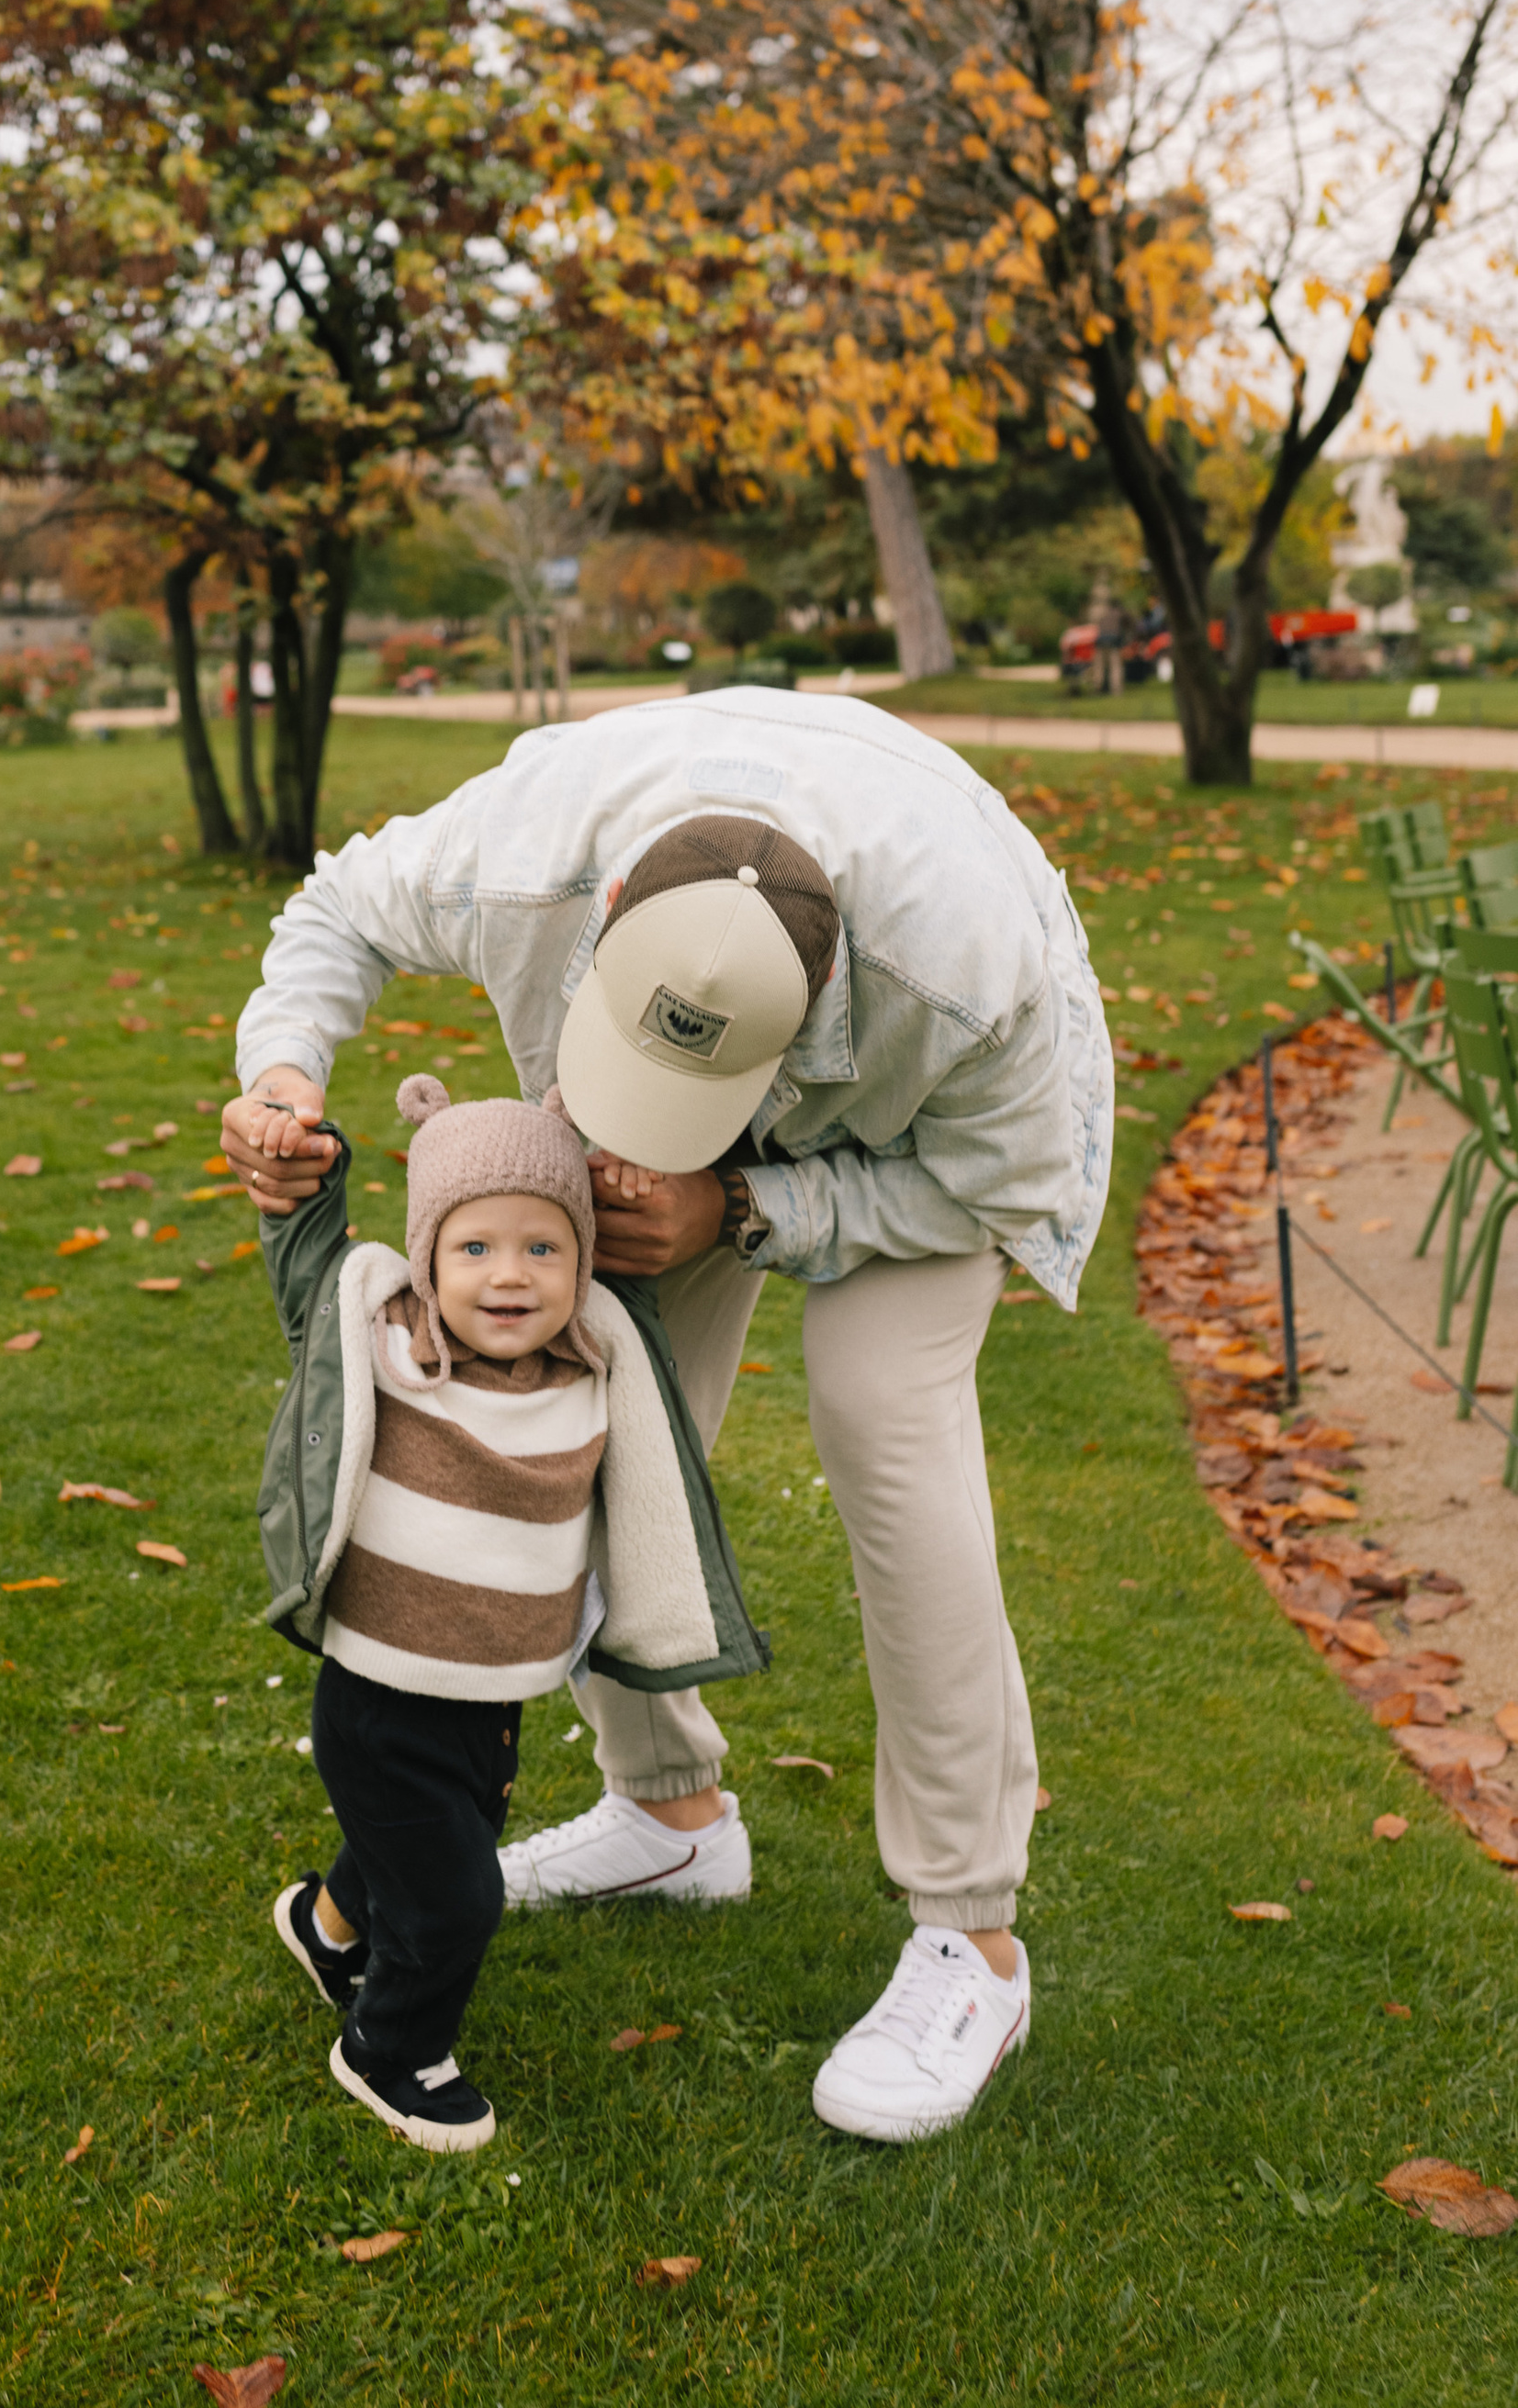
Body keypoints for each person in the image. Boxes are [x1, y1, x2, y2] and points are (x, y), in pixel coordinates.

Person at [224, 690, 1111, 2145]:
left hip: (928, 1144)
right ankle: (668, 1815)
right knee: (577, 1428)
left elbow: (997, 1186)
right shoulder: (523, 850)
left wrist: (746, 1200)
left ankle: (974, 1938)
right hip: (709, 1019)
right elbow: (335, 912)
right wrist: (283, 1073)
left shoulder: (970, 973)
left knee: (883, 1419)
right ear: (608, 913)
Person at [255, 1069, 761, 2153]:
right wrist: (302, 1172)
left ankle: (324, 1923)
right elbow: (307, 1260)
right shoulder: (386, 1343)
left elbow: (639, 1289)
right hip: (378, 1701)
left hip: (494, 1699)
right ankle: (391, 2050)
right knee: (454, 1898)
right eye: (474, 1248)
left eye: (544, 1249)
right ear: (429, 1257)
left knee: (437, 1837)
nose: (509, 1277)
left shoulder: (596, 1363)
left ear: (583, 1266)